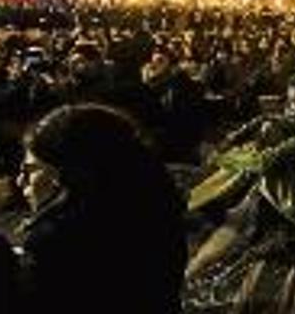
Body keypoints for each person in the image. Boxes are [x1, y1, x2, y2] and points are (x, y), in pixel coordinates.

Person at [185, 69, 295, 277]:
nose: (291, 108)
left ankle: (205, 200)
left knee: (263, 167)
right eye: (290, 101)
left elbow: (268, 160)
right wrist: (234, 139)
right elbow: (272, 120)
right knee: (268, 132)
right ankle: (213, 198)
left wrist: (222, 158)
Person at [14, 104, 186, 313]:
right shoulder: (156, 207)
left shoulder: (54, 243)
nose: (19, 180)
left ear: (67, 175)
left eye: (30, 169)